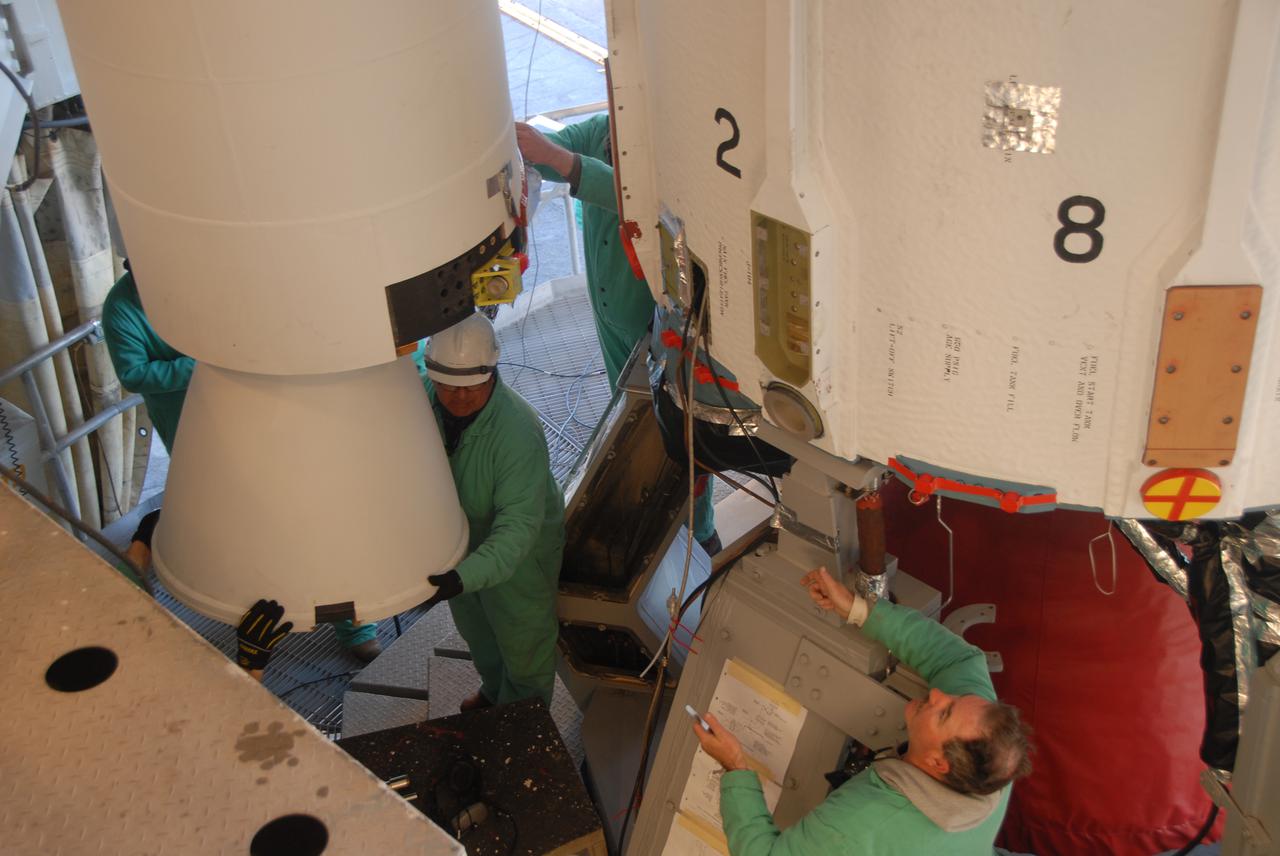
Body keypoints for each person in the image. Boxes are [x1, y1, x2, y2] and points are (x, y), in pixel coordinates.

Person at [102, 266, 381, 661]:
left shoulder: (204, 277)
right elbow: (133, 373)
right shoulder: (122, 307)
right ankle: (258, 617)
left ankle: (354, 624)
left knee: (313, 512)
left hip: (258, 416)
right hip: (194, 431)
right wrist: (206, 366)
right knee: (238, 524)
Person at [693, 566, 1032, 855]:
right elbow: (956, 660)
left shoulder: (866, 821)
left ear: (939, 763)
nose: (940, 695)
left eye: (943, 713)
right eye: (953, 701)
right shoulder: (992, 765)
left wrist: (734, 767)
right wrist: (857, 610)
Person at [516, 116, 719, 554]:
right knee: (630, 419)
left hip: (658, 328)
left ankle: (701, 535)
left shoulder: (669, 140)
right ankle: (665, 531)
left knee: (680, 433)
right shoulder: (600, 131)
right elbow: (552, 155)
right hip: (610, 317)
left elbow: (635, 199)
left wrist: (560, 160)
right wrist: (522, 145)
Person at [414, 312, 564, 709]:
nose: (460, 397)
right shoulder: (419, 401)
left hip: (520, 554)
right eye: (448, 387)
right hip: (461, 540)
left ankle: (522, 716)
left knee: (523, 638)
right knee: (476, 630)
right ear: (431, 373)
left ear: (493, 374)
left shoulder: (518, 432)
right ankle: (494, 690)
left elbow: (517, 530)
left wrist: (460, 578)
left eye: (473, 387)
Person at [101, 263, 194, 454]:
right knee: (199, 470)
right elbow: (133, 375)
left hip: (231, 395)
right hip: (179, 412)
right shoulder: (120, 308)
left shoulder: (195, 277)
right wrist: (199, 369)